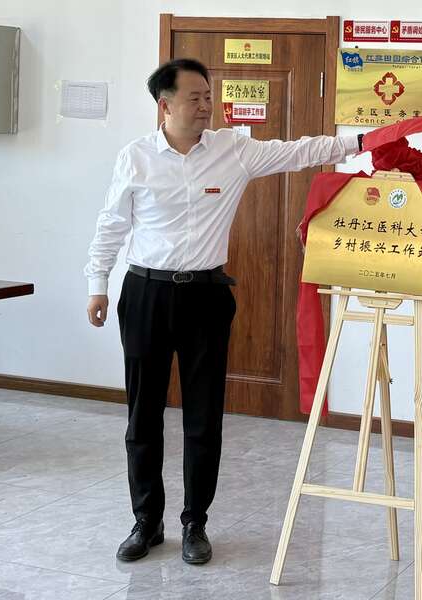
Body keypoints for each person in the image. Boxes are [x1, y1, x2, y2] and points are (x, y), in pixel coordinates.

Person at [84, 58, 362, 565]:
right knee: (142, 415)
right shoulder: (136, 157)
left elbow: (298, 151)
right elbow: (111, 223)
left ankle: (195, 523)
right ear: (165, 105)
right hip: (145, 293)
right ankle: (146, 521)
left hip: (206, 297)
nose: (206, 106)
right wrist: (96, 284)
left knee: (204, 415)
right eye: (195, 97)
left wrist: (360, 142)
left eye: (208, 96)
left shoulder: (233, 150)